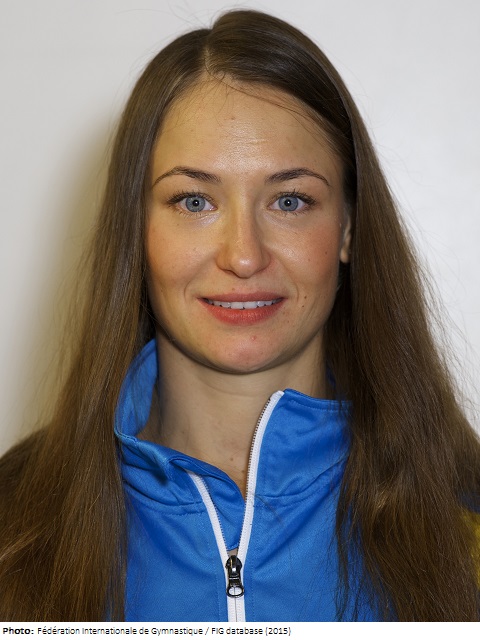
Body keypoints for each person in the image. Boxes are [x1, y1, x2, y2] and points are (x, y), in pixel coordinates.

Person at [0, 9, 479, 623]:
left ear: (348, 228)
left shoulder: (468, 525)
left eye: (290, 201)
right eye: (194, 201)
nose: (244, 256)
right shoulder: (12, 528)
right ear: (136, 230)